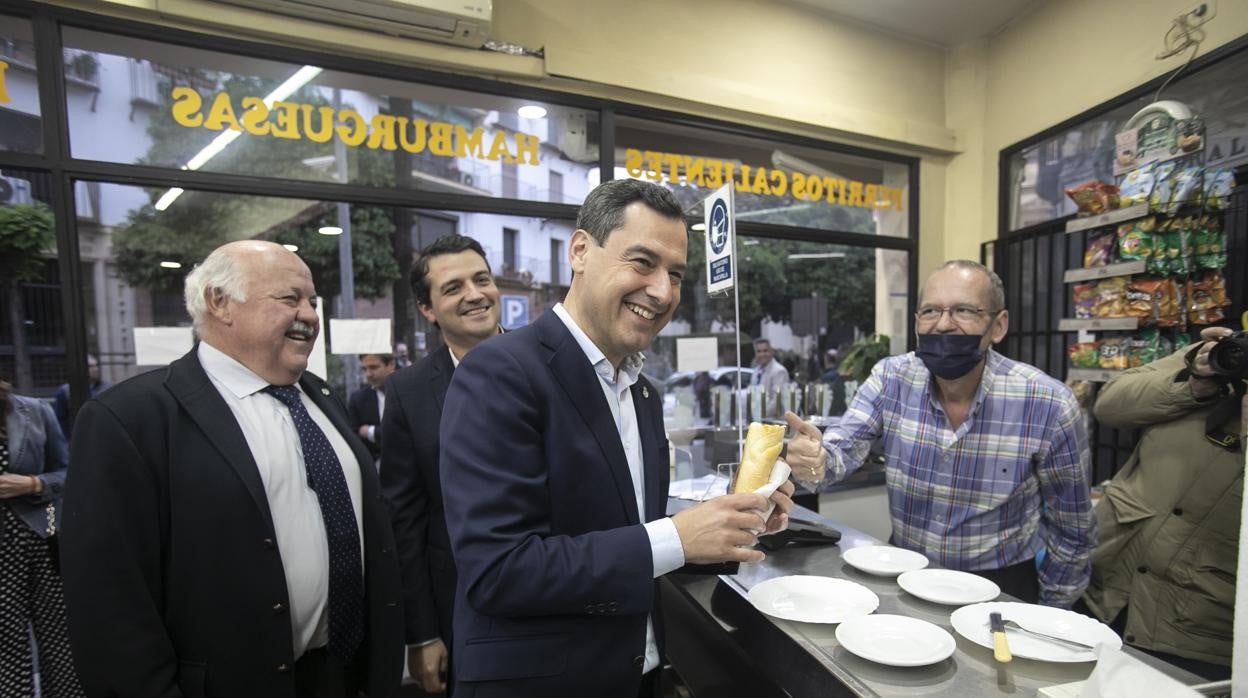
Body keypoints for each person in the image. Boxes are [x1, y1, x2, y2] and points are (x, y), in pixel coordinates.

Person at [439, 179, 795, 696]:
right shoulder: (499, 372)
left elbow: (628, 534)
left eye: (675, 273)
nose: (663, 291)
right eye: (642, 262)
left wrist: (730, 526)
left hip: (638, 673)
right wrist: (678, 536)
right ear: (580, 251)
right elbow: (499, 570)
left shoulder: (641, 393)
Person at [59, 241, 403, 698]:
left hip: (344, 676)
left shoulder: (322, 398)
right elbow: (109, 605)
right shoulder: (129, 420)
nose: (310, 315)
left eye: (313, 301)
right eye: (290, 298)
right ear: (219, 302)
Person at [784, 260, 1095, 607]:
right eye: (930, 311)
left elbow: (1073, 526)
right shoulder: (892, 378)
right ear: (917, 322)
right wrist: (815, 459)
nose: (944, 324)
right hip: (907, 575)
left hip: (1001, 587)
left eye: (963, 310)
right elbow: (842, 451)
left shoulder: (1047, 403)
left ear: (998, 325)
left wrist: (1053, 611)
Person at [1081, 327, 1243, 681]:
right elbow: (1111, 403)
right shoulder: (1218, 355)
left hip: (1193, 626)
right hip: (1107, 587)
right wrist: (1195, 383)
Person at [379, 233, 502, 695]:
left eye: (481, 279)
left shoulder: (552, 365)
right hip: (460, 607)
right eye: (453, 288)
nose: (474, 294)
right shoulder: (408, 393)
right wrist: (423, 632)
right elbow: (404, 520)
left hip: (558, 598)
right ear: (427, 309)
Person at [0, 378, 83, 697]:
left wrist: (33, 483)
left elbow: (67, 471)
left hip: (40, 539)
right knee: (7, 642)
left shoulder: (33, 411)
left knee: (58, 636)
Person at [349, 353, 396, 464]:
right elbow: (353, 437)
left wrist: (372, 431)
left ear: (391, 365)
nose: (368, 374)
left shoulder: (408, 393)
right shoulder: (358, 399)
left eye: (374, 367)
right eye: (364, 369)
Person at [51, 353, 109, 440]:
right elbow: (60, 420)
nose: (95, 369)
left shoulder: (107, 388)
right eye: (91, 366)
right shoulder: (65, 391)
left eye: (96, 365)